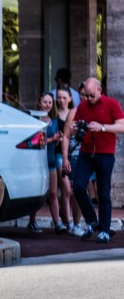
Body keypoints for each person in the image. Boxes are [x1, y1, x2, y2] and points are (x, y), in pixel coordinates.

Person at [62, 77, 124, 243]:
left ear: (100, 90)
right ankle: (91, 221)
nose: (88, 99)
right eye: (86, 96)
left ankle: (104, 229)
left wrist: (102, 127)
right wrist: (75, 128)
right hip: (86, 153)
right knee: (79, 186)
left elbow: (122, 126)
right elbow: (73, 130)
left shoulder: (111, 104)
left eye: (91, 96)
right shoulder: (82, 106)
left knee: (103, 192)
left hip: (105, 154)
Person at [27, 92, 67, 234]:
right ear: (39, 102)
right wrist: (51, 139)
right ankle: (32, 221)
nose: (48, 105)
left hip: (50, 160)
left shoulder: (54, 121)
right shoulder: (33, 119)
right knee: (38, 193)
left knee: (52, 193)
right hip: (36, 162)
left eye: (50, 102)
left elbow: (55, 139)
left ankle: (58, 223)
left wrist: (59, 140)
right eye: (45, 102)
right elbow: (32, 141)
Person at [53, 86, 80, 234]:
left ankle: (70, 220)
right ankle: (68, 221)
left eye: (64, 97)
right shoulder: (54, 116)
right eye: (59, 97)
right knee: (66, 189)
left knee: (73, 190)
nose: (61, 100)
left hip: (73, 154)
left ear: (70, 98)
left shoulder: (74, 114)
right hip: (58, 154)